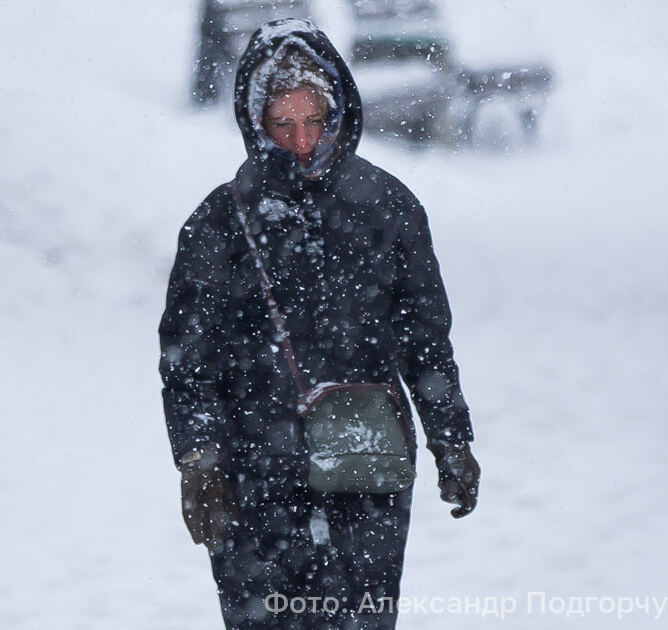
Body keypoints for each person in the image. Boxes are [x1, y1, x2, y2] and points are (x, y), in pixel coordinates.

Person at [158, 18, 480, 629]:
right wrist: (199, 458)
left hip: (366, 465)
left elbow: (425, 340)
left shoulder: (388, 206)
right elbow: (188, 357)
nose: (302, 140)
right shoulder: (220, 222)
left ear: (339, 110)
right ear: (256, 121)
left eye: (314, 119)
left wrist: (451, 438)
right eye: (283, 123)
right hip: (254, 471)